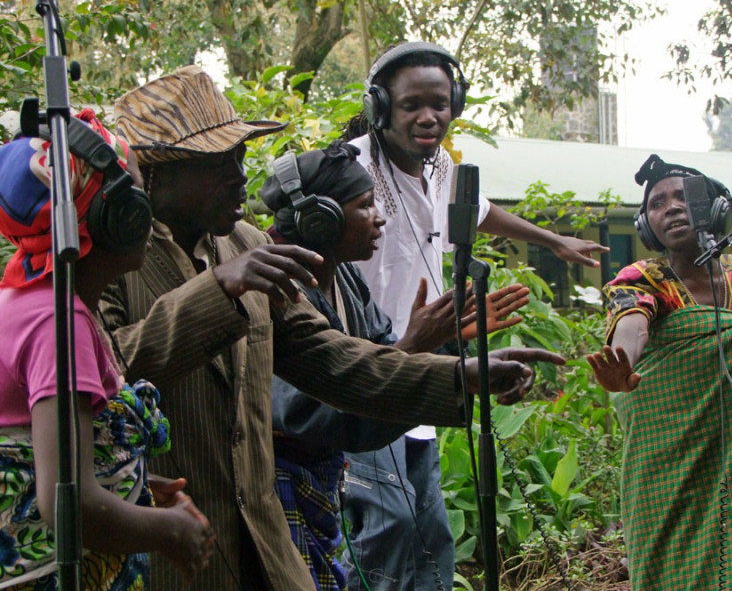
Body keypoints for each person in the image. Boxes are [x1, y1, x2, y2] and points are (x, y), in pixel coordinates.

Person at [99, 65, 566, 591]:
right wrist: (215, 292)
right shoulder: (110, 262)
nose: (239, 175)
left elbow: (332, 358)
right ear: (159, 173)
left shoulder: (246, 246)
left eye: (241, 155)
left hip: (267, 546)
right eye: (219, 162)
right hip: (166, 558)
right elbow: (104, 379)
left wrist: (462, 375)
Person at [339, 41, 610, 590]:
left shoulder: (440, 167)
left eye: (439, 103)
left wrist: (552, 240)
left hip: (425, 364)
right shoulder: (349, 168)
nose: (428, 116)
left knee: (430, 530)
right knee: (387, 530)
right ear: (380, 105)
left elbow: (482, 212)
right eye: (412, 104)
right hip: (365, 368)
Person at [261, 140, 531, 590]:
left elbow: (384, 349)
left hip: (325, 479)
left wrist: (456, 354)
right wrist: (414, 343)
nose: (380, 217)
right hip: (282, 480)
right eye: (366, 205)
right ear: (319, 218)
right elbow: (309, 408)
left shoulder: (346, 279)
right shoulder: (278, 292)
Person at [0, 109, 214, 589]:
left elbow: (59, 457)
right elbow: (68, 504)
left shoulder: (42, 300)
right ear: (112, 213)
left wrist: (129, 485)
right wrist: (167, 530)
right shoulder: (58, 324)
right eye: (136, 194)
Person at [587, 154, 732, 590]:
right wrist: (622, 363)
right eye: (657, 203)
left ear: (716, 207)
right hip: (671, 472)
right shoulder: (643, 279)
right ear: (646, 224)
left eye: (684, 197)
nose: (671, 207)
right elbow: (633, 323)